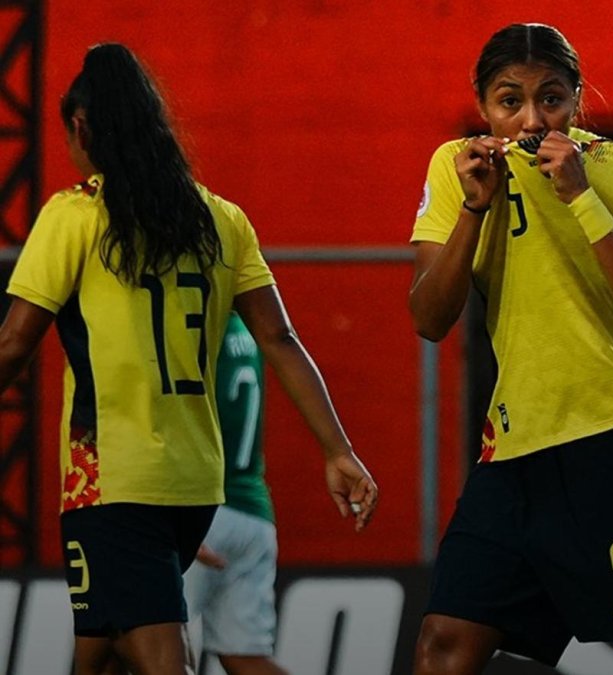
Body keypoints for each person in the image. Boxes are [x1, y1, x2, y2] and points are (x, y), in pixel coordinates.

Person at [0, 44, 378, 675]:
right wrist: (338, 449)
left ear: (81, 126)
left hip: (112, 480)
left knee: (156, 657)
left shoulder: (76, 214)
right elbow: (279, 337)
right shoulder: (221, 219)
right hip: (197, 485)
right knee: (97, 649)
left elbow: (14, 340)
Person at [407, 22, 613, 675]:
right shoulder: (455, 166)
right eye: (508, 99)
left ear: (576, 99)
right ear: (483, 104)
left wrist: (578, 194)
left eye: (550, 98)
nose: (529, 116)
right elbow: (430, 317)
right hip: (511, 455)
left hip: (610, 443)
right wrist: (473, 209)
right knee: (443, 644)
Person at [184, 312, 287, 674]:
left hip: (199, 509)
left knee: (152, 647)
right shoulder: (247, 323)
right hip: (252, 508)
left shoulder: (196, 321)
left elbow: (176, 413)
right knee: (245, 658)